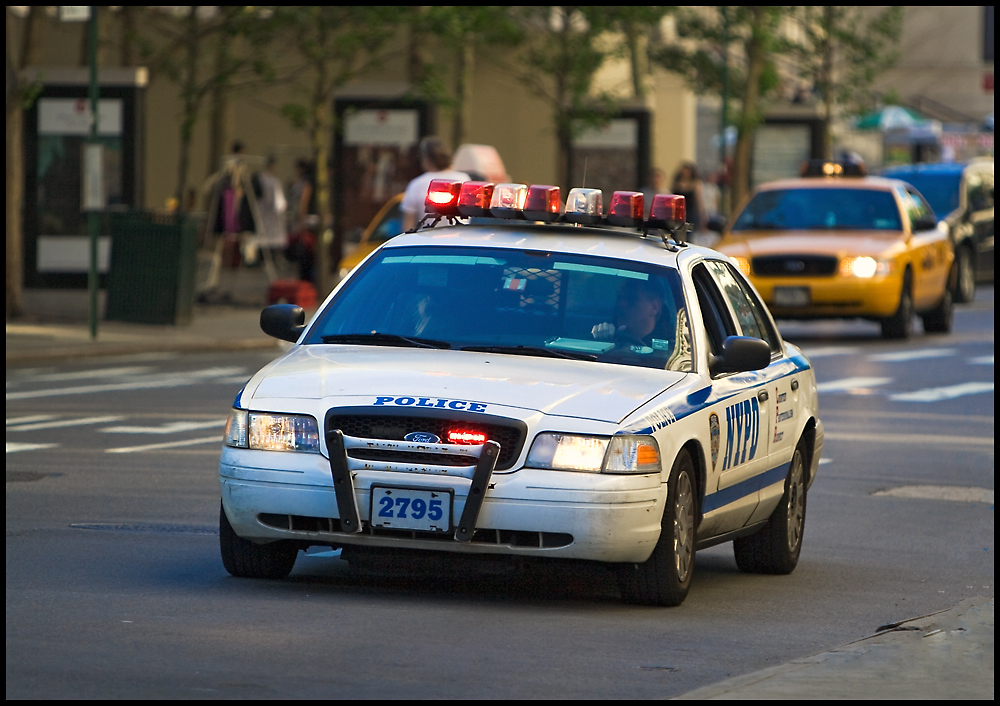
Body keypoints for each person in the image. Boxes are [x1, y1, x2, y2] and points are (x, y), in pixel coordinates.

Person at [400, 137, 471, 231]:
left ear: (426, 158)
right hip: (460, 238)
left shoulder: (416, 184)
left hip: (427, 241)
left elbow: (408, 222)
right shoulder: (464, 179)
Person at [591, 279, 666, 347]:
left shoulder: (671, 349)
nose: (621, 303)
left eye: (631, 298)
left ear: (654, 307)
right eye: (619, 297)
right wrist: (602, 339)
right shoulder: (606, 338)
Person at [255, 155, 288, 261]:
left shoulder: (261, 179)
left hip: (264, 212)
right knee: (270, 237)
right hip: (270, 213)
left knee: (265, 236)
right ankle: (269, 258)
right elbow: (279, 201)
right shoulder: (272, 181)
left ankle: (264, 258)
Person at [670, 161, 706, 240]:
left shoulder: (695, 184)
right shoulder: (677, 184)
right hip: (678, 212)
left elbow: (698, 200)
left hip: (690, 212)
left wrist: (702, 216)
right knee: (676, 233)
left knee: (689, 235)